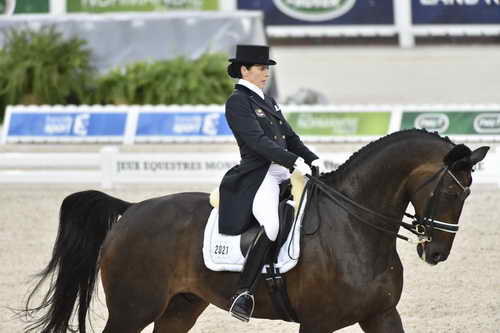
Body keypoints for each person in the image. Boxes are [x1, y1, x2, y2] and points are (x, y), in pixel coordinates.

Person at [218, 44, 326, 322]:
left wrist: (312, 159)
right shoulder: (238, 102)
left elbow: (290, 137)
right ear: (245, 70)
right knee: (272, 224)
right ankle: (244, 293)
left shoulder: (268, 100)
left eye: (268, 68)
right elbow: (257, 141)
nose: (266, 73)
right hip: (259, 174)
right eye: (262, 68)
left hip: (282, 170)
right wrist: (292, 162)